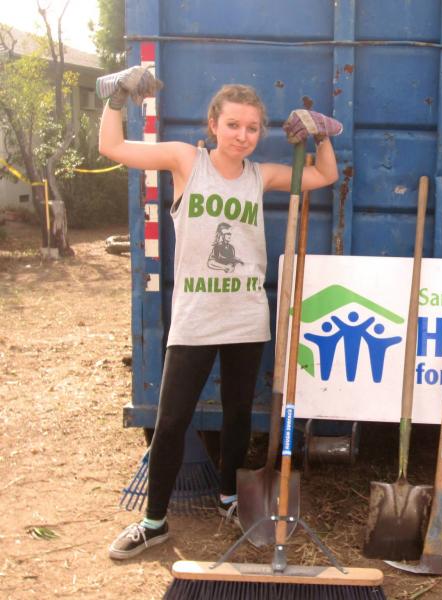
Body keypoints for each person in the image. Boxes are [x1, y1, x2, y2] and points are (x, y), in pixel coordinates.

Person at [97, 67, 342, 560]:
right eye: (233, 125)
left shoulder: (261, 174)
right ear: (213, 124)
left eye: (252, 128)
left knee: (236, 415)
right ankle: (154, 521)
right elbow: (113, 148)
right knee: (171, 422)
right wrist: (118, 98)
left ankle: (231, 497)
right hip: (195, 317)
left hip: (247, 317)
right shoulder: (186, 161)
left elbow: (325, 175)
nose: (242, 136)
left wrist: (317, 135)